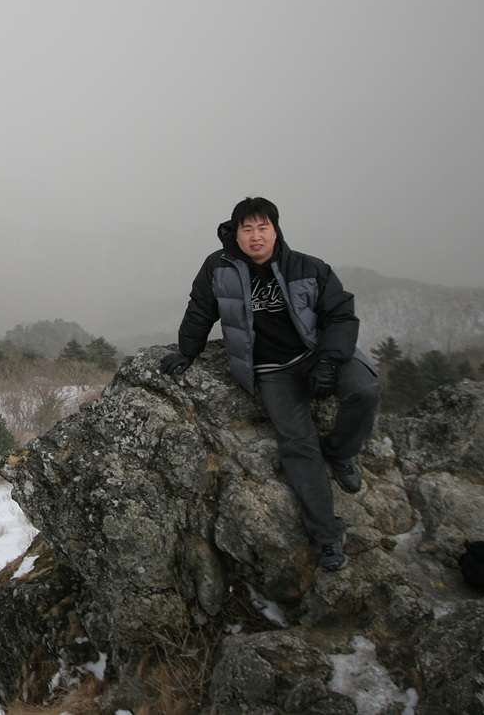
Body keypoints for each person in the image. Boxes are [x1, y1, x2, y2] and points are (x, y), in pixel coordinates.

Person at [160, 196, 380, 572]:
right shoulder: (219, 267)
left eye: (263, 227)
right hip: (271, 369)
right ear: (236, 234)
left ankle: (340, 452)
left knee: (365, 391)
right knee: (298, 444)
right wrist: (187, 351)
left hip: (316, 353)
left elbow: (341, 315)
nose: (256, 236)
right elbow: (200, 308)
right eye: (247, 229)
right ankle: (327, 535)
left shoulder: (308, 267)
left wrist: (328, 361)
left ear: (276, 231)